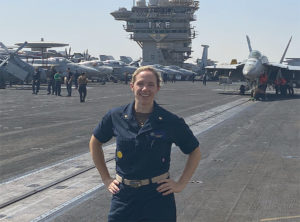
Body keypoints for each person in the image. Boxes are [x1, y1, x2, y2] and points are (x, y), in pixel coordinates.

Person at [90, 66, 201, 222]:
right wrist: (106, 179)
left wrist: (181, 184)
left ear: (157, 88)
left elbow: (194, 151)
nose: (145, 89)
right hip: (124, 196)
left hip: (157, 196)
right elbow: (95, 142)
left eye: (150, 84)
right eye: (140, 84)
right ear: (132, 86)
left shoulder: (170, 121)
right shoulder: (115, 116)